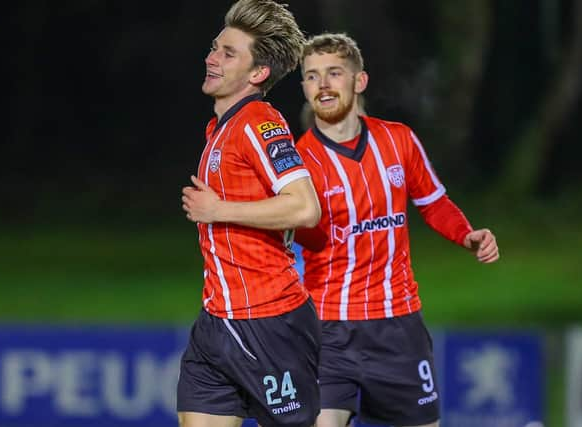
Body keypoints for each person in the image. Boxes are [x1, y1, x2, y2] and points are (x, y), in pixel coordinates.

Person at [295, 33, 500, 427]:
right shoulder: (298, 162)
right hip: (328, 328)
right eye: (311, 76)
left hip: (398, 326)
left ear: (359, 81)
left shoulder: (398, 140)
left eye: (334, 73)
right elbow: (302, 237)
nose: (322, 85)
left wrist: (466, 234)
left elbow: (434, 202)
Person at [177, 2, 322, 427]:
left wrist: (218, 209)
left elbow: (304, 205)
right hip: (216, 323)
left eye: (228, 53)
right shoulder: (220, 128)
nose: (211, 58)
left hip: (269, 323)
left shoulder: (259, 123)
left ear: (258, 74)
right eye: (214, 48)